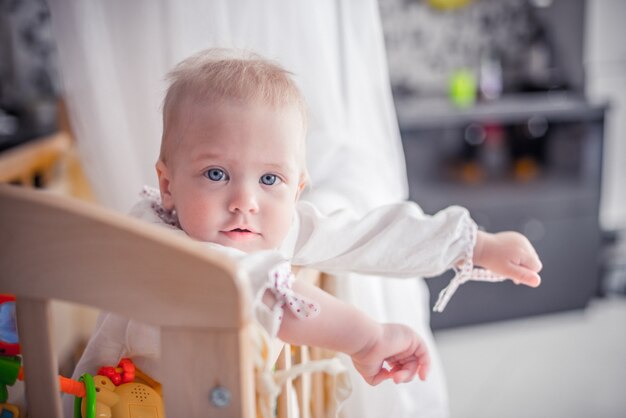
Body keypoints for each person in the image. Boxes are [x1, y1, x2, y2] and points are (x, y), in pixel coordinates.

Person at [67, 48, 542, 415]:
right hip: (121, 403)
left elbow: (368, 234)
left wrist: (475, 244)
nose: (244, 201)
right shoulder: (156, 236)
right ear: (167, 185)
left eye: (269, 179)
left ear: (297, 189)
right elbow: (263, 295)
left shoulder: (277, 224)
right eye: (215, 174)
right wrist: (367, 337)